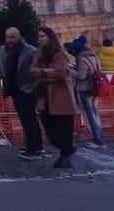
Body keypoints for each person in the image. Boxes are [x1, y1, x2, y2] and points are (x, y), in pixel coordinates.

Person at [0, 27, 44, 159]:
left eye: (12, 37)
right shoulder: (3, 50)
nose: (9, 40)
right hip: (14, 89)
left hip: (27, 88)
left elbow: (38, 70)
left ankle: (33, 148)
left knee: (28, 119)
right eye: (7, 37)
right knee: (27, 118)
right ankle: (36, 145)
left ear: (19, 37)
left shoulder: (30, 51)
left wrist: (34, 86)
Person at [30, 27, 75, 168]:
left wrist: (43, 73)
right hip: (44, 96)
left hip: (61, 97)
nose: (40, 39)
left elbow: (60, 73)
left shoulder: (59, 54)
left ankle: (65, 155)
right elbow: (32, 71)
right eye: (39, 37)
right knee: (48, 127)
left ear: (50, 37)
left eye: (42, 36)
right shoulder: (38, 54)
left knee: (63, 128)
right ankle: (66, 151)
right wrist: (47, 71)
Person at [70, 35, 106, 148]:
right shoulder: (93, 55)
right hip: (95, 88)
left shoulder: (82, 58)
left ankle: (98, 140)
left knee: (90, 115)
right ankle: (100, 136)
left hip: (85, 88)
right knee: (95, 114)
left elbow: (81, 76)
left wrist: (70, 70)